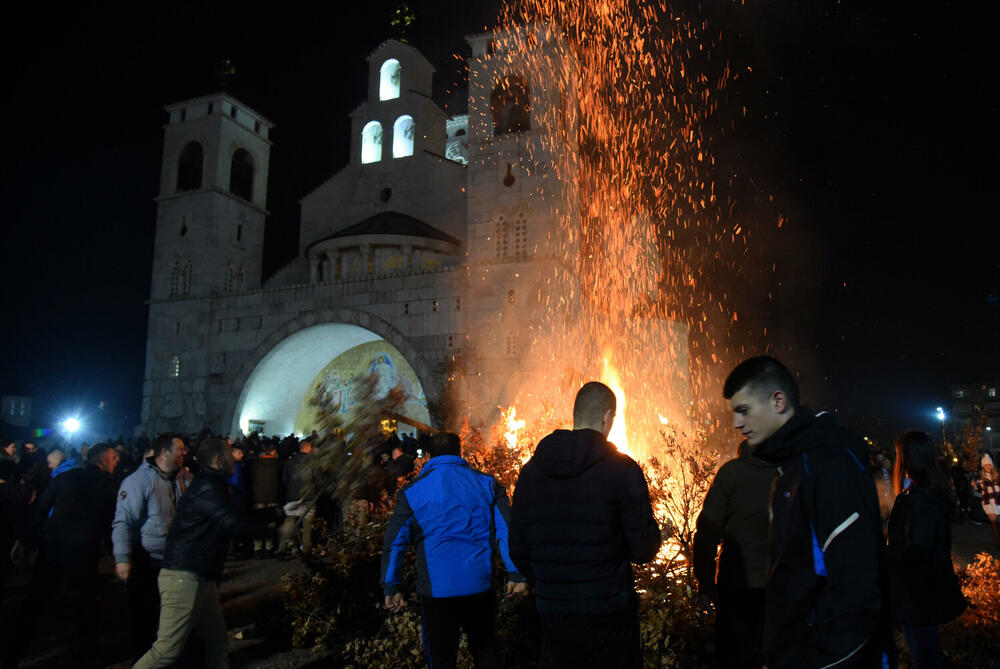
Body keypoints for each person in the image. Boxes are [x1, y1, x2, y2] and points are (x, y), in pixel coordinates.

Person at [723, 356, 884, 668]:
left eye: (743, 411)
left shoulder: (828, 467)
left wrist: (824, 660)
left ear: (778, 401)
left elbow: (857, 590)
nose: (736, 424)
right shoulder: (792, 467)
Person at [508, 381, 661, 669]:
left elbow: (519, 550)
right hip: (609, 614)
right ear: (607, 417)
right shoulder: (622, 469)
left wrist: (551, 580)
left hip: (553, 612)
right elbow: (643, 549)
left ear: (576, 414)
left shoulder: (530, 473)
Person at [133, 438, 303, 669]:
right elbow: (234, 523)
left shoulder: (212, 484)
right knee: (165, 652)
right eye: (228, 453)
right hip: (185, 576)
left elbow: (239, 516)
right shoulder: (208, 487)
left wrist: (280, 511)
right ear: (217, 459)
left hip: (200, 576)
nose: (234, 457)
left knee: (217, 644)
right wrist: (279, 534)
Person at [381, 432, 526, 669]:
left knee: (441, 659)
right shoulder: (487, 483)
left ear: (427, 456)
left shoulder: (412, 492)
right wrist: (516, 573)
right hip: (479, 586)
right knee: (485, 650)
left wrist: (391, 586)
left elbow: (394, 541)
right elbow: (506, 530)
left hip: (437, 592)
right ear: (459, 452)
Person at [5, 443, 120, 668]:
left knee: (36, 600)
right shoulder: (108, 484)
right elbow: (112, 518)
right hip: (82, 548)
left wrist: (25, 541)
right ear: (103, 460)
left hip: (53, 544)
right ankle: (89, 654)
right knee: (85, 602)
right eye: (114, 458)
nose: (116, 462)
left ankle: (14, 651)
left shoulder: (66, 478)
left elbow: (41, 508)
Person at [692, 440, 777, 668]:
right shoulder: (788, 472)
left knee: (733, 656)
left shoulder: (731, 473)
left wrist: (705, 584)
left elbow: (706, 534)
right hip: (777, 588)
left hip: (735, 588)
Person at [886, 431, 965, 669]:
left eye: (899, 455)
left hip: (918, 596)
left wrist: (884, 555)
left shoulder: (919, 500)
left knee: (924, 658)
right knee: (926, 654)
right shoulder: (926, 494)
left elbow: (917, 552)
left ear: (908, 458)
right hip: (923, 594)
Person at [111, 433, 186, 658]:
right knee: (144, 614)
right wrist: (122, 558)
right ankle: (143, 657)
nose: (185, 453)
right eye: (180, 449)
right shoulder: (138, 481)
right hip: (147, 560)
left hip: (175, 559)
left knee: (171, 614)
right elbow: (123, 521)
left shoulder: (184, 478)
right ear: (164, 453)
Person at [979, 453, 1000, 545]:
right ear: (983, 466)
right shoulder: (982, 478)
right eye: (986, 465)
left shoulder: (997, 476)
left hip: (997, 500)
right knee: (994, 523)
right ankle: (997, 542)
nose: (988, 467)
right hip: (988, 502)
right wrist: (975, 486)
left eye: (989, 465)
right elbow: (979, 489)